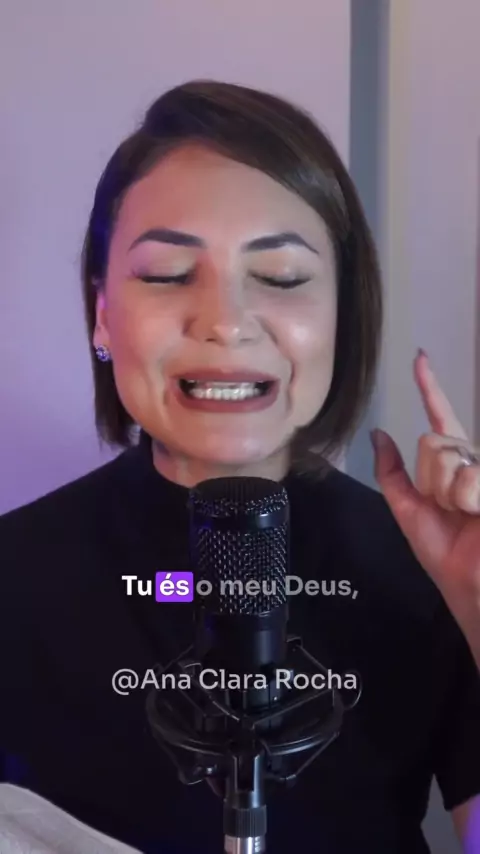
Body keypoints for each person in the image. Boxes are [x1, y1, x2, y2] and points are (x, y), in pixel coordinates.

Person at [1, 79, 480, 854]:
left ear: (343, 312)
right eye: (167, 274)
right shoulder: (16, 573)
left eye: (282, 277)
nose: (225, 322)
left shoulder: (432, 572)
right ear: (102, 313)